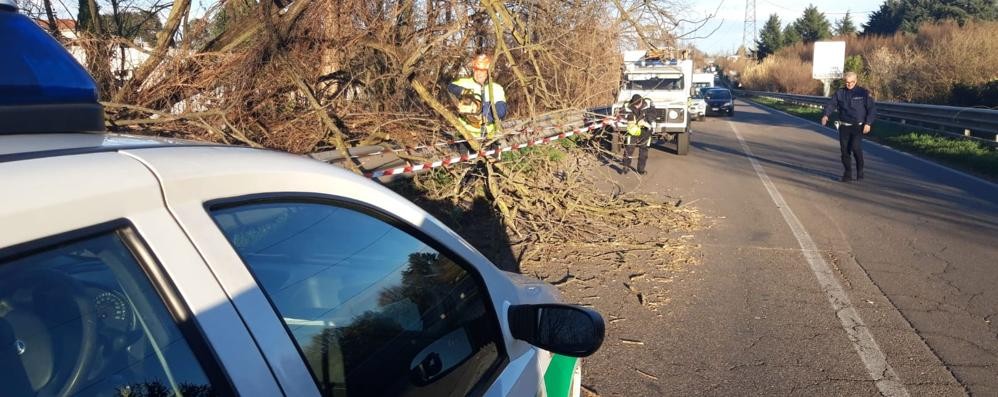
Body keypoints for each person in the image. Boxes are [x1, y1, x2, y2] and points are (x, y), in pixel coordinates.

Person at [821, 72, 877, 182]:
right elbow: (831, 104)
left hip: (858, 126)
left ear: (856, 81)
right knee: (845, 151)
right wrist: (826, 115)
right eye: (847, 82)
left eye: (852, 82)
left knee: (855, 147)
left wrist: (868, 123)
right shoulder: (840, 93)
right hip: (844, 125)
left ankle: (860, 170)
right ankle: (847, 174)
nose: (849, 84)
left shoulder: (863, 93)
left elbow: (871, 109)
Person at [447, 54, 507, 140]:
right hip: (466, 136)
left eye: (482, 71)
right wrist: (463, 91)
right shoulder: (465, 83)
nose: (479, 74)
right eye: (476, 70)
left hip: (490, 136)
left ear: (489, 72)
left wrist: (487, 117)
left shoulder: (496, 88)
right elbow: (450, 87)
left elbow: (501, 110)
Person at [621, 94, 653, 175]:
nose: (637, 106)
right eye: (635, 104)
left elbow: (653, 114)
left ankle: (640, 170)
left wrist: (646, 121)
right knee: (629, 148)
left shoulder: (648, 104)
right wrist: (630, 117)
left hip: (645, 131)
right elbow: (622, 114)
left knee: (644, 151)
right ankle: (626, 166)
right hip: (633, 131)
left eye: (638, 104)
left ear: (641, 101)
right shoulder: (627, 105)